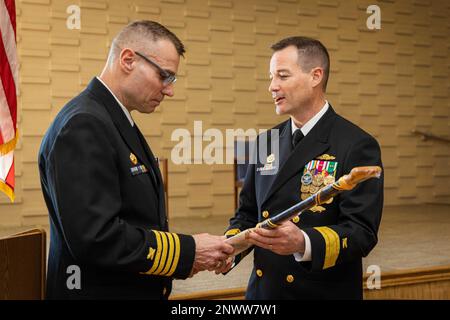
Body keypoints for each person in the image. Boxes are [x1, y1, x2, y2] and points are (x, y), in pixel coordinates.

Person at [38, 20, 234, 299]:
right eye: (164, 76)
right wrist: (188, 251)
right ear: (128, 60)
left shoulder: (111, 117)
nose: (169, 90)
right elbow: (95, 238)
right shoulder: (84, 124)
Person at [218, 36, 383, 299]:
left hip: (319, 291)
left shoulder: (357, 144)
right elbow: (247, 213)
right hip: (265, 292)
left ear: (315, 76)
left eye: (282, 76)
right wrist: (230, 247)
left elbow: (362, 232)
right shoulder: (265, 141)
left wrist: (303, 243)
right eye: (271, 77)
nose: (272, 86)